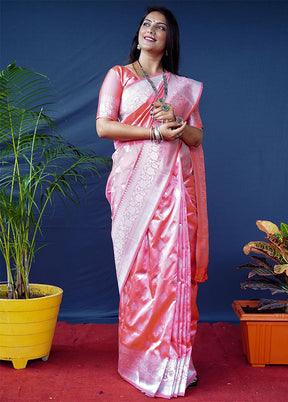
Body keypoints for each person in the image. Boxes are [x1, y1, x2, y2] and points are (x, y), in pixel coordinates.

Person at [96, 5, 209, 399]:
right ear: (139, 32)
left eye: (160, 27)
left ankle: (175, 363)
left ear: (168, 38)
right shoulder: (119, 76)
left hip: (174, 192)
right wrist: (154, 133)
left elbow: (195, 138)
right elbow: (104, 126)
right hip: (132, 189)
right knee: (138, 275)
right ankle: (139, 361)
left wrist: (175, 123)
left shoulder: (182, 88)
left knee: (171, 274)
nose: (151, 30)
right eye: (147, 24)